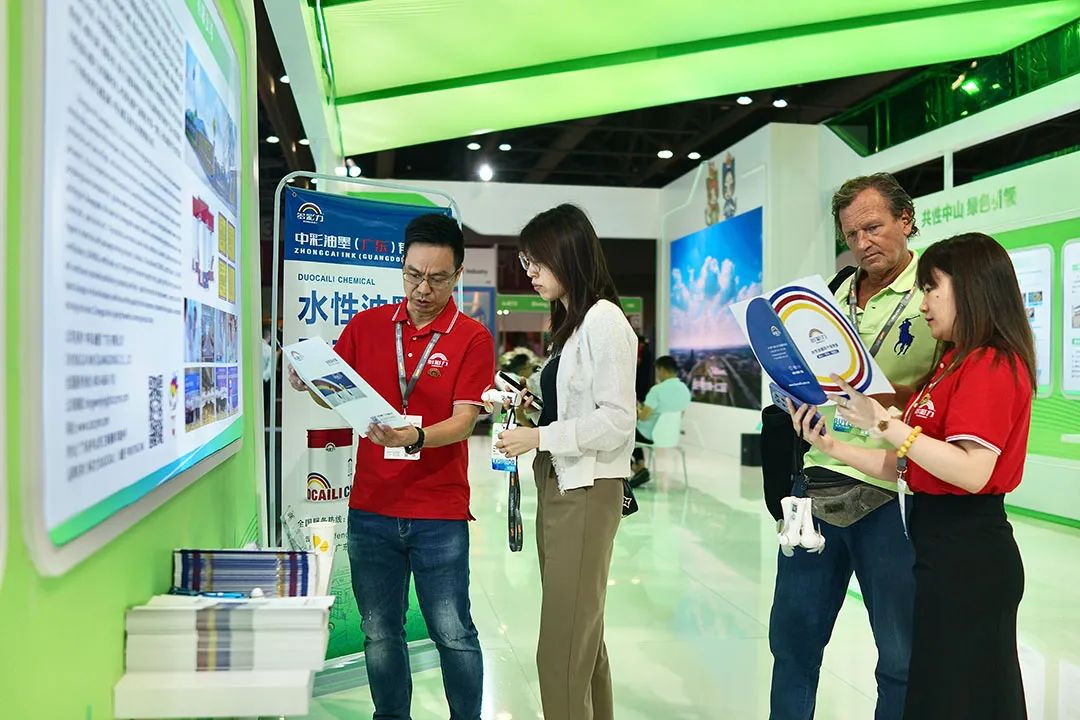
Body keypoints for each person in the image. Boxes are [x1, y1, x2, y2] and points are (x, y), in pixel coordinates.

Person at [791, 232, 1032, 719]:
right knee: (937, 693)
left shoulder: (990, 364)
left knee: (966, 697)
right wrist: (833, 445)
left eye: (931, 289)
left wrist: (883, 424)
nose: (923, 305)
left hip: (969, 554)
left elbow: (971, 471)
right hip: (938, 547)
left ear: (970, 287)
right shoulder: (954, 360)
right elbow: (908, 463)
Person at [288, 214, 495, 720]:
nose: (423, 289)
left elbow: (464, 421)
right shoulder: (367, 325)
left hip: (439, 510)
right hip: (372, 507)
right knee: (379, 631)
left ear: (458, 274)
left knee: (453, 631)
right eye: (413, 275)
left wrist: (416, 437)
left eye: (437, 278)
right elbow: (333, 394)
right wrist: (307, 382)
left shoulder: (472, 338)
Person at [769, 173, 939, 720]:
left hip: (893, 489)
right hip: (815, 482)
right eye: (851, 234)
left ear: (906, 220)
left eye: (873, 227)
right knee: (792, 646)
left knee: (901, 656)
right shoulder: (832, 293)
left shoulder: (934, 293)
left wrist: (881, 400)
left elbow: (947, 390)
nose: (863, 243)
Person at [496, 204, 637, 720]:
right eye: (526, 263)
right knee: (582, 638)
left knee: (561, 648)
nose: (530, 273)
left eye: (537, 262)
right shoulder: (572, 323)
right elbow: (577, 407)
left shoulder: (603, 320)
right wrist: (530, 406)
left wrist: (539, 435)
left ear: (568, 254)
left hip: (587, 490)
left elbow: (618, 420)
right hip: (561, 483)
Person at [629, 355, 692, 488]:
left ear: (662, 369)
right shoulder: (685, 390)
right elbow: (680, 414)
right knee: (633, 434)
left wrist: (637, 408)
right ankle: (640, 468)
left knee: (626, 433)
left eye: (657, 371)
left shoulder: (657, 390)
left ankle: (638, 467)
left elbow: (644, 417)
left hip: (650, 435)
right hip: (671, 435)